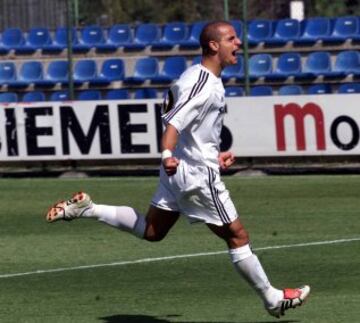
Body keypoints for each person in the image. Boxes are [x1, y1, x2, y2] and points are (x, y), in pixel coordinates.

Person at [46, 21, 310, 318]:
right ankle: (271, 298)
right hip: (194, 175)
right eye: (231, 39)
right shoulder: (204, 84)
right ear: (213, 45)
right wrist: (168, 154)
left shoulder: (195, 76)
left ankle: (88, 209)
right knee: (237, 235)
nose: (239, 43)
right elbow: (174, 123)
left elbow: (189, 128)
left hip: (183, 169)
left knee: (152, 230)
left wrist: (212, 154)